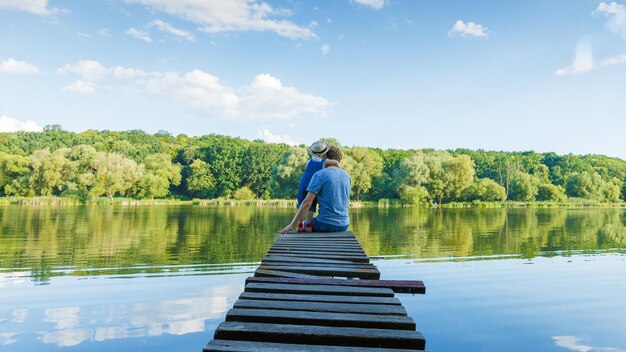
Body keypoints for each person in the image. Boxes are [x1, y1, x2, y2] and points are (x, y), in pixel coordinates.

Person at [281, 146, 351, 234]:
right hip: (344, 225)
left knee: (304, 224)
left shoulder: (319, 174)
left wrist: (292, 225)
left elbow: (307, 203)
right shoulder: (346, 176)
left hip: (324, 224)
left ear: (324, 157)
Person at [295, 140, 329, 232]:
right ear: (323, 153)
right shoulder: (325, 162)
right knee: (312, 205)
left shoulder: (309, 161)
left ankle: (300, 225)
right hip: (313, 185)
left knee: (301, 204)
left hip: (303, 184)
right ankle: (309, 225)